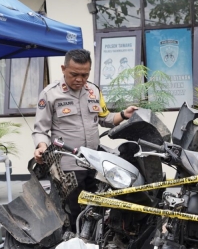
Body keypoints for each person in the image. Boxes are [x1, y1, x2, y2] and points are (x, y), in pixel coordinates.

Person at [33, 49, 137, 227]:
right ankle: (75, 247)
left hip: (95, 162)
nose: (80, 79)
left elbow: (105, 118)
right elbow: (40, 130)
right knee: (76, 212)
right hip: (68, 167)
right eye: (74, 74)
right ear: (63, 68)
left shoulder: (93, 91)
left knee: (98, 209)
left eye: (85, 74)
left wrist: (123, 114)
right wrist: (41, 146)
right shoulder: (50, 94)